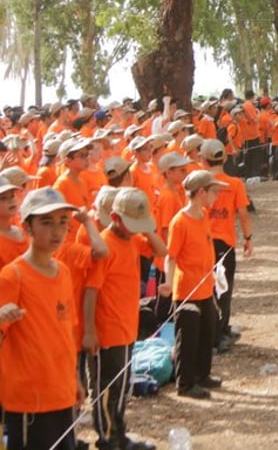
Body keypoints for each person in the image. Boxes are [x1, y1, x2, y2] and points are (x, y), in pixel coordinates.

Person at [0, 188, 87, 450]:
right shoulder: (13, 276)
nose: (57, 232)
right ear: (28, 228)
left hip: (61, 392)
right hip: (29, 400)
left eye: (63, 222)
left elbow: (66, 330)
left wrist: (75, 379)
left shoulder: (62, 271)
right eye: (46, 223)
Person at [82, 188, 167, 450]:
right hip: (108, 330)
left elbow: (161, 249)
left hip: (127, 327)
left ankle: (119, 434)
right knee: (107, 390)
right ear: (115, 218)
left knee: (121, 388)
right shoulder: (105, 245)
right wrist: (89, 331)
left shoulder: (131, 239)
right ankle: (108, 439)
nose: (133, 230)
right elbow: (90, 292)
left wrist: (147, 227)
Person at [166, 170, 227, 399]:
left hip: (205, 287)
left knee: (205, 332)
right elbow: (171, 256)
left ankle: (203, 374)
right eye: (213, 192)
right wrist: (169, 283)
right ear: (201, 192)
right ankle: (185, 383)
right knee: (188, 338)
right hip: (187, 290)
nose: (216, 197)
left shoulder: (203, 215)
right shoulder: (180, 222)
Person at [199, 139, 253, 353]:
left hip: (204, 241)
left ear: (203, 160)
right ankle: (218, 334)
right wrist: (248, 238)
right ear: (224, 158)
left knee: (209, 287)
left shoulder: (199, 183)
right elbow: (242, 214)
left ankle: (219, 330)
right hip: (225, 242)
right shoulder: (234, 184)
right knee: (224, 288)